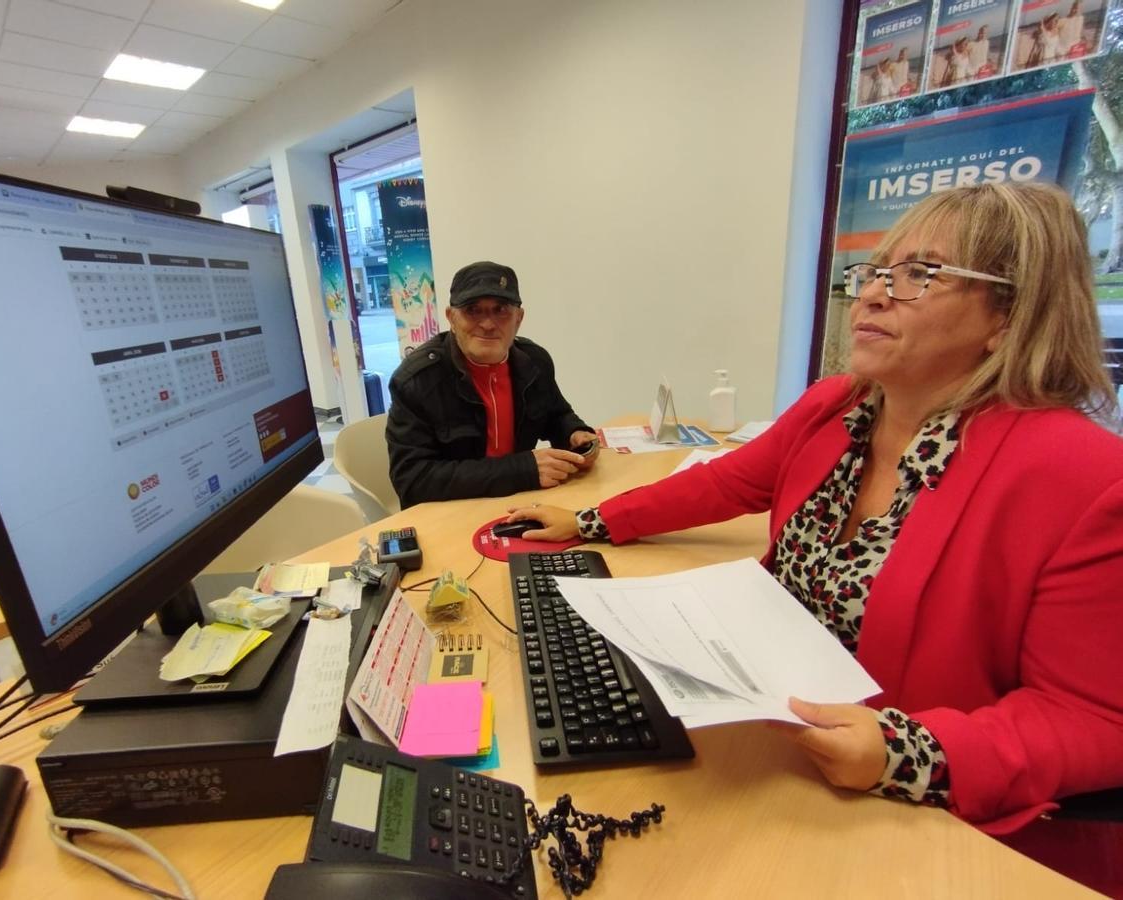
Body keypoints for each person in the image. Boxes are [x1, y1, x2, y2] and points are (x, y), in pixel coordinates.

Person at [506, 183, 1123, 830]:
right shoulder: (839, 406)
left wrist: (904, 753)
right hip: (776, 744)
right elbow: (728, 483)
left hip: (906, 814)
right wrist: (591, 522)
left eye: (920, 275)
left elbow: (1096, 719)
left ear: (1008, 316)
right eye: (878, 270)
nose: (874, 294)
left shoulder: (1084, 478)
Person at [386, 260, 598, 508]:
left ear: (518, 319)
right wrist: (522, 470)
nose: (487, 324)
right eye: (473, 310)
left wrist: (574, 433)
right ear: (451, 318)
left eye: (501, 310)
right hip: (450, 513)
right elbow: (413, 481)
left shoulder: (535, 362)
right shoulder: (416, 380)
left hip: (518, 503)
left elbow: (555, 414)